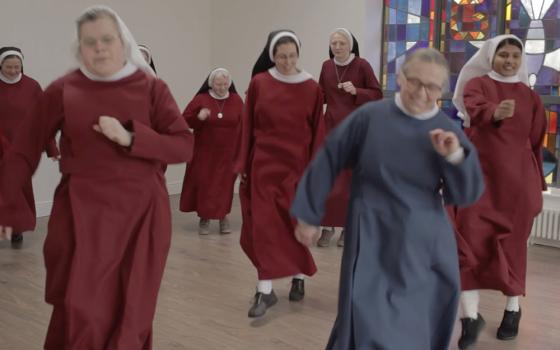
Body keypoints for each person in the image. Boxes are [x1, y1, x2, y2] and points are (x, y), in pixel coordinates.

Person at [0, 6, 193, 349]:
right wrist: (8, 205)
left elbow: (183, 145)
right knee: (81, 308)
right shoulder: (62, 90)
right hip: (81, 213)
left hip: (141, 213)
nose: (100, 48)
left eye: (107, 39)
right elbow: (23, 151)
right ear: (79, 47)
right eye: (90, 42)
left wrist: (131, 138)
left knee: (131, 309)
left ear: (122, 42)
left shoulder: (151, 89)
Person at [291, 48, 484, 350]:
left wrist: (455, 157)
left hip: (424, 240)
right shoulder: (370, 117)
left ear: (442, 90)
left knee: (418, 318)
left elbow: (467, 193)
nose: (422, 93)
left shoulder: (446, 130)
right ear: (400, 78)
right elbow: (329, 159)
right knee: (370, 315)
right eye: (415, 82)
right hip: (373, 233)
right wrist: (309, 213)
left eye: (432, 87)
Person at [450, 34, 546, 349]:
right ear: (492, 57)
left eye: (515, 56)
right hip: (480, 183)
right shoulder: (477, 85)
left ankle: (512, 310)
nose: (509, 61)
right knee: (470, 247)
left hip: (517, 186)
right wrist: (495, 112)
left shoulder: (531, 98)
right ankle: (470, 318)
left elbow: (535, 142)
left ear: (521, 61)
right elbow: (475, 109)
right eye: (503, 54)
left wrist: (536, 185)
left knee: (514, 248)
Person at [234, 30, 325, 318]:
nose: (287, 61)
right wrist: (242, 166)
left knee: (293, 225)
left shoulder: (312, 88)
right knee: (264, 228)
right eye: (281, 56)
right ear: (272, 56)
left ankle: (298, 276)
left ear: (299, 54)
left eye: (292, 56)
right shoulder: (259, 83)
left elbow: (318, 134)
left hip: (297, 169)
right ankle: (265, 291)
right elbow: (247, 127)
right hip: (263, 167)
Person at [317, 28, 383, 248]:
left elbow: (377, 94)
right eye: (334, 43)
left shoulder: (362, 65)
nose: (337, 47)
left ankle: (348, 228)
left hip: (356, 128)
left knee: (350, 182)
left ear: (350, 45)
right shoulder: (327, 66)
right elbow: (320, 95)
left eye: (341, 43)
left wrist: (357, 91)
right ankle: (327, 227)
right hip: (331, 128)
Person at [0, 46, 59, 248]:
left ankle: (16, 229)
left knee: (18, 188)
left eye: (17, 66)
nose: (14, 71)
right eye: (9, 67)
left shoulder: (32, 86)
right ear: (1, 65)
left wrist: (52, 148)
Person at [180, 68, 242, 234]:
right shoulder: (201, 99)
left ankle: (223, 218)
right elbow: (184, 120)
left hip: (229, 153)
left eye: (225, 84)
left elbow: (244, 124)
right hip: (205, 152)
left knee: (225, 186)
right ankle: (204, 219)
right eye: (218, 84)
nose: (222, 87)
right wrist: (198, 118)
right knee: (205, 185)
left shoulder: (236, 100)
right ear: (211, 83)